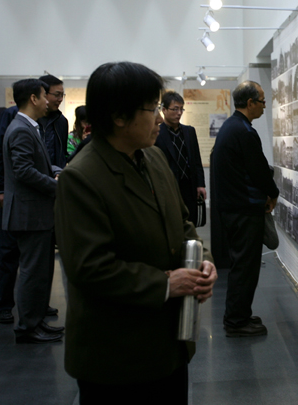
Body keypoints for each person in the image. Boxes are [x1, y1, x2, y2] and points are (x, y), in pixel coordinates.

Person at [55, 61, 217, 404]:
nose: (159, 118)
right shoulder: (82, 178)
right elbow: (89, 267)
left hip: (169, 345)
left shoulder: (153, 158)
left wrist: (203, 260)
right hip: (118, 357)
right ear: (118, 116)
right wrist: (166, 284)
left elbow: (182, 223)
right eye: (152, 108)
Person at [212, 80, 279, 337]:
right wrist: (273, 193)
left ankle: (239, 314)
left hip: (234, 208)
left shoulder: (232, 127)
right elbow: (258, 170)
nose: (264, 106)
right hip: (244, 209)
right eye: (262, 101)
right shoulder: (244, 131)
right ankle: (236, 322)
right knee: (245, 267)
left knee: (242, 265)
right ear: (250, 103)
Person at [3, 79, 64, 343]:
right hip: (29, 214)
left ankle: (36, 320)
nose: (49, 100)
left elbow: (37, 164)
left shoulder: (28, 126)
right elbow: (24, 171)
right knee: (32, 272)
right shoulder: (21, 129)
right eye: (45, 95)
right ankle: (27, 327)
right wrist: (57, 187)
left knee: (40, 272)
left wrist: (57, 171)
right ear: (33, 98)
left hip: (35, 214)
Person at [154, 90, 206, 226]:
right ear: (164, 110)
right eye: (175, 109)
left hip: (189, 185)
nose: (179, 113)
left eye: (181, 109)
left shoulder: (189, 131)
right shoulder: (158, 133)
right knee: (172, 223)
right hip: (169, 186)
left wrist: (200, 184)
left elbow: (197, 160)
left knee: (191, 221)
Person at [38, 74, 69, 169]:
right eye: (57, 95)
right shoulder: (19, 116)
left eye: (62, 95)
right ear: (43, 93)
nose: (60, 99)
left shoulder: (61, 121)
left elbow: (62, 153)